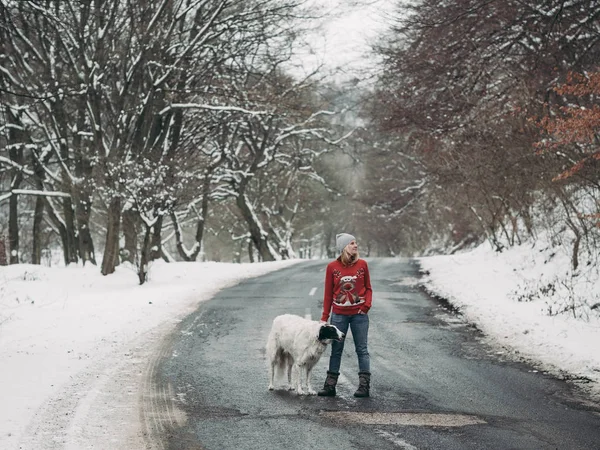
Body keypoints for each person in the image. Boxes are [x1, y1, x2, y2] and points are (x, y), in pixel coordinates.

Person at [318, 233, 372, 398]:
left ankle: (364, 386)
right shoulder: (332, 267)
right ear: (343, 247)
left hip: (359, 316)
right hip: (339, 316)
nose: (355, 246)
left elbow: (368, 288)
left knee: (361, 349)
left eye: (356, 243)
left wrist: (366, 306)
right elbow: (328, 294)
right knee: (336, 350)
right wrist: (324, 317)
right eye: (352, 243)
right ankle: (330, 385)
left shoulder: (362, 265)